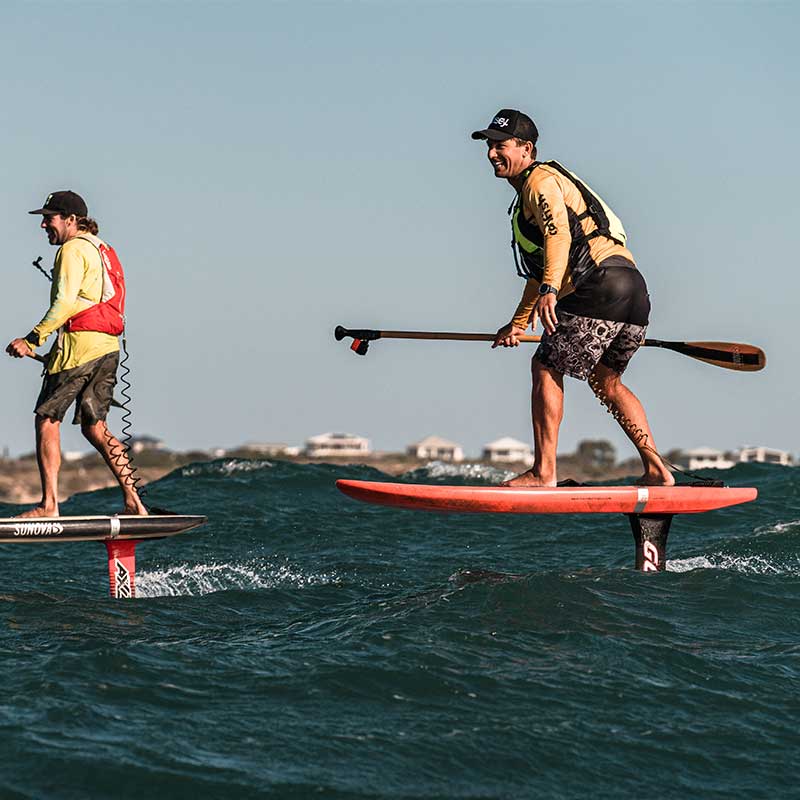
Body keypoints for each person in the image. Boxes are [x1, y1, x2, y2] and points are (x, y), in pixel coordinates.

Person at [471, 109, 673, 487]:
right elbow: (543, 268)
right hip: (633, 290)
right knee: (607, 381)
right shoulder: (536, 189)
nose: (492, 154)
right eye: (489, 146)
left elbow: (557, 237)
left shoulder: (539, 182)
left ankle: (544, 472)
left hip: (596, 286)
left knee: (546, 366)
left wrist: (550, 290)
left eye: (500, 146)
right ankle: (658, 471)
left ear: (526, 148)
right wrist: (516, 324)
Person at [5, 190, 148, 517]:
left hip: (77, 347)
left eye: (49, 218)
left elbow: (65, 303)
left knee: (47, 419)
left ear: (71, 220)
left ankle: (49, 505)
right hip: (109, 347)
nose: (43, 225)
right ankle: (134, 501)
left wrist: (32, 339)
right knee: (95, 426)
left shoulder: (71, 250)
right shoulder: (104, 249)